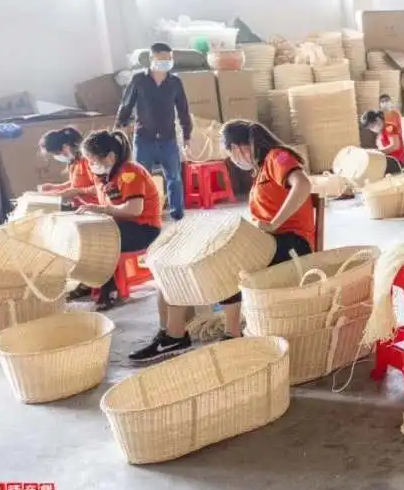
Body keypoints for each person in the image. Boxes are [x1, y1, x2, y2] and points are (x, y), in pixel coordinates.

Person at [128, 121, 315, 362]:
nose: (232, 159)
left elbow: (303, 184)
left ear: (237, 147)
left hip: (292, 244)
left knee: (225, 264)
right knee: (199, 260)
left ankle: (229, 333)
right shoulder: (260, 169)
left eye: (229, 152)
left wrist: (274, 223)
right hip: (270, 241)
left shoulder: (276, 157)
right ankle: (176, 334)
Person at [75, 130, 162, 312]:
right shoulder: (107, 174)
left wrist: (101, 209)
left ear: (110, 157)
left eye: (92, 161)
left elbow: (134, 209)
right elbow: (99, 192)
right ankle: (92, 281)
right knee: (85, 235)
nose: (90, 166)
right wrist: (77, 194)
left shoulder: (130, 173)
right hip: (122, 225)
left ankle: (108, 288)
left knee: (100, 240)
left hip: (143, 229)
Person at [116, 42, 193, 221]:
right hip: (144, 138)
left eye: (168, 59)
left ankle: (177, 214)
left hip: (168, 138)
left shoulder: (175, 82)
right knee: (141, 178)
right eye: (161, 59)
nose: (165, 62)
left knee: (174, 177)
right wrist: (121, 126)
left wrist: (187, 134)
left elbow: (183, 109)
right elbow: (126, 105)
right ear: (151, 59)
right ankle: (144, 213)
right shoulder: (138, 80)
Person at [38, 127, 96, 206]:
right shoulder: (74, 162)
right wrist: (57, 187)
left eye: (57, 153)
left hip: (94, 207)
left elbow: (100, 188)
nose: (56, 157)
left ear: (65, 147)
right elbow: (78, 182)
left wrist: (77, 191)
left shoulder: (88, 161)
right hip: (81, 206)